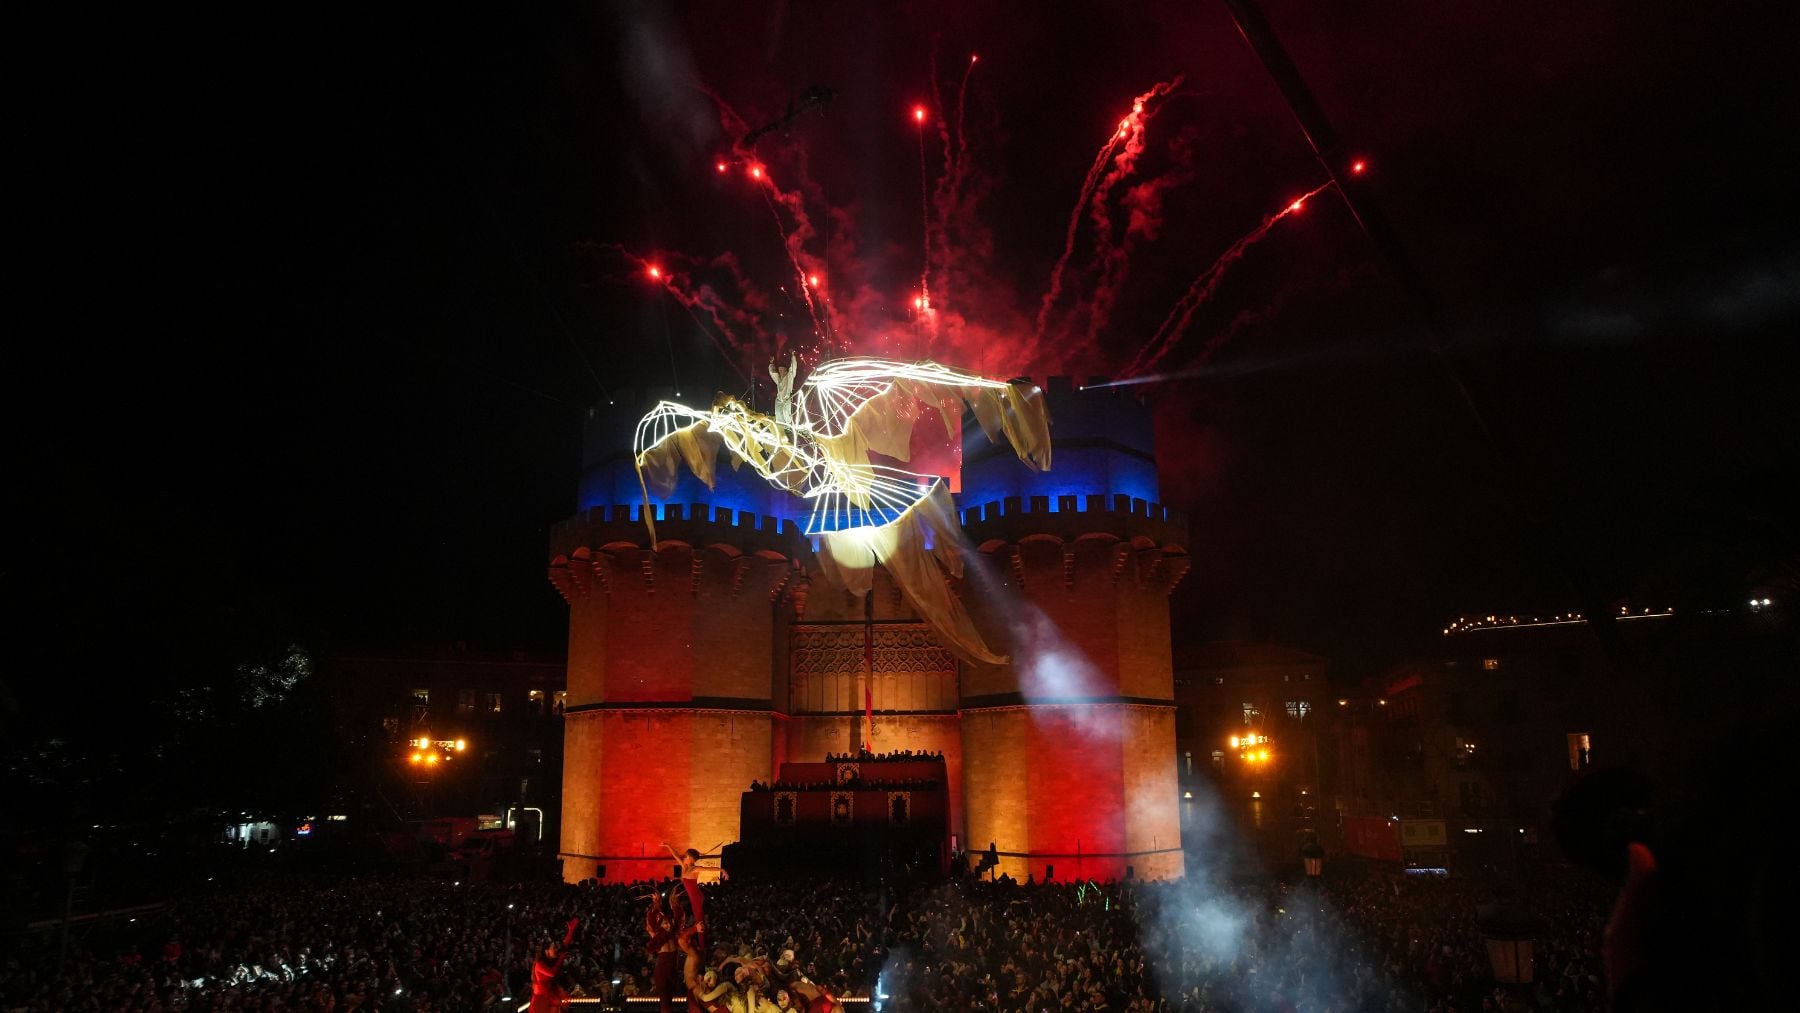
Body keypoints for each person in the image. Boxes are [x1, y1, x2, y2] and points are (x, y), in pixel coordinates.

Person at [529, 916, 581, 1013]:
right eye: (554, 947)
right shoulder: (539, 964)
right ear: (547, 951)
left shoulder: (552, 959)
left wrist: (571, 930)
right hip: (542, 999)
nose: (556, 949)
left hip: (550, 995)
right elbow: (552, 973)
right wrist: (561, 958)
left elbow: (565, 945)